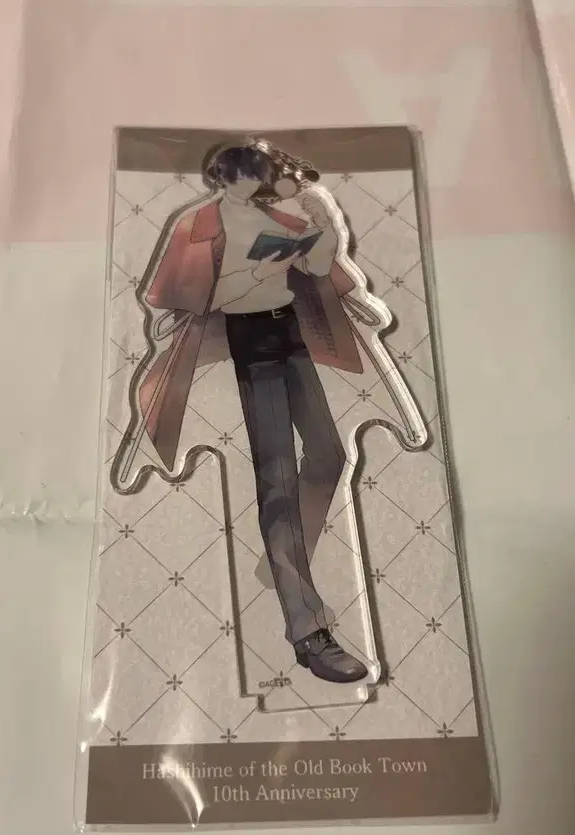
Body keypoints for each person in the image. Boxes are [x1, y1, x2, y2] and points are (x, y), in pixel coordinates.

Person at [119, 138, 380, 683]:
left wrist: (323, 219)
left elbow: (320, 263)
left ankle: (282, 561)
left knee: (329, 455)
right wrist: (242, 279)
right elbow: (173, 297)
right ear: (222, 177)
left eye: (255, 175)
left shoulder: (277, 218)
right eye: (240, 176)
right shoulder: (197, 224)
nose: (249, 185)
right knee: (277, 477)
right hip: (247, 341)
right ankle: (307, 631)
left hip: (290, 333)